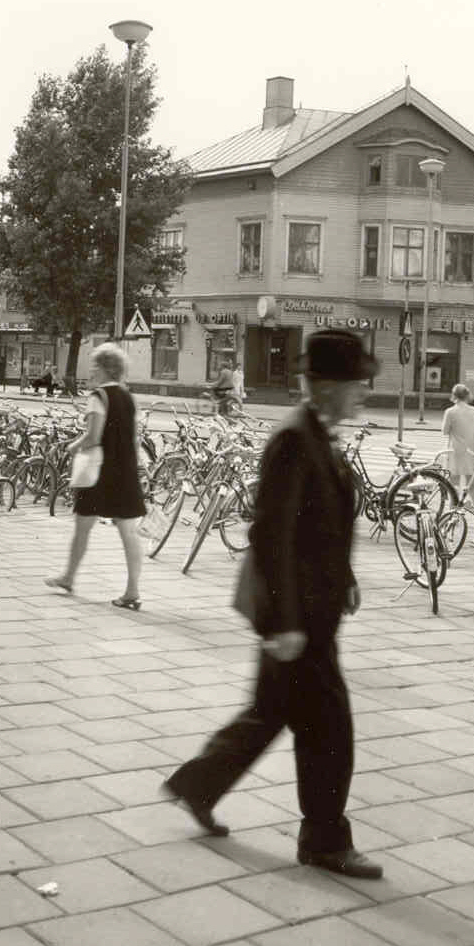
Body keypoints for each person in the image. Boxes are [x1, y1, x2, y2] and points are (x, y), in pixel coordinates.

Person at [162, 328, 382, 879]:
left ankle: (199, 782)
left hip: (311, 611)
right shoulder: (294, 439)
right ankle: (325, 840)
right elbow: (273, 534)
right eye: (357, 382)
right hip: (297, 616)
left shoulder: (319, 433)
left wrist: (346, 574)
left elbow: (320, 524)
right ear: (327, 386)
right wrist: (284, 623)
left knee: (272, 712)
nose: (364, 392)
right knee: (330, 728)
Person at [45, 343, 145, 609]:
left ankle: (68, 576)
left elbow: (93, 436)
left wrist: (72, 446)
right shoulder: (127, 396)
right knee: (128, 531)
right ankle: (132, 590)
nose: (90, 371)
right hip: (124, 470)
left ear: (104, 369)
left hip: (99, 472)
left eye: (94, 366)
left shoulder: (97, 396)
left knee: (83, 526)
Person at [442, 382, 474, 508]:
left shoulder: (450, 412)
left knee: (454, 487)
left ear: (454, 396)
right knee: (473, 487)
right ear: (467, 396)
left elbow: (445, 431)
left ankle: (452, 513)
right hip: (472, 453)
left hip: (456, 452)